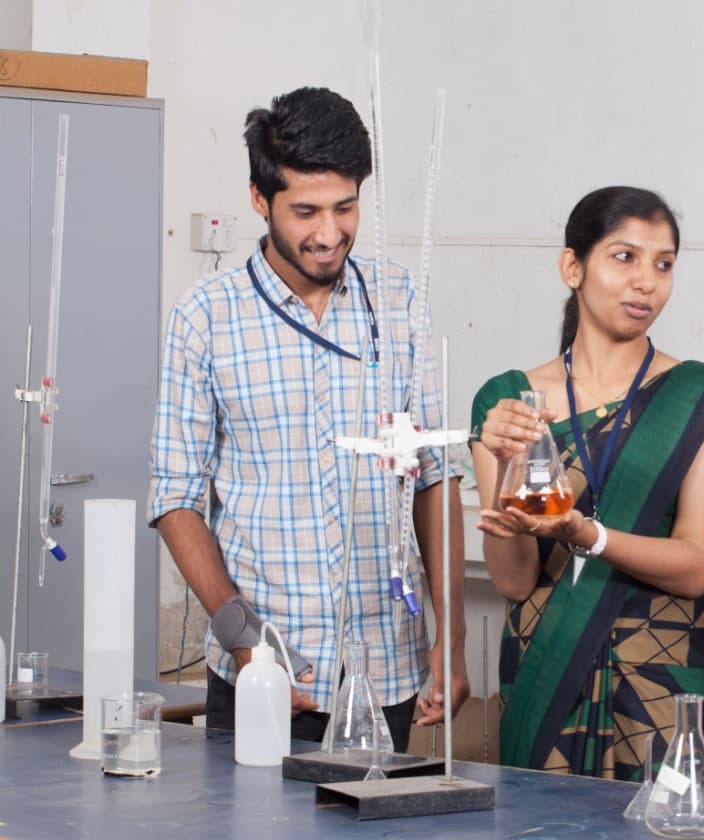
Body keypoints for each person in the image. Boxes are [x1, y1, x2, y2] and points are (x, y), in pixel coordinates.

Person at [148, 87, 469, 754]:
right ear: (259, 200)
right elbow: (175, 497)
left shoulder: (401, 299)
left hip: (388, 673)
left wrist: (453, 638)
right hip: (262, 671)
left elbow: (434, 476)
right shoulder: (207, 316)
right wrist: (245, 641)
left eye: (345, 207)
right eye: (305, 211)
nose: (328, 234)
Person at [470, 186, 704, 793]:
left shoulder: (703, 401)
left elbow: (693, 568)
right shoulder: (508, 402)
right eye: (624, 257)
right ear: (572, 267)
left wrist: (587, 534)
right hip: (544, 676)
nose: (646, 283)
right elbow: (514, 580)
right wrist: (506, 464)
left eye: (663, 264)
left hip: (666, 693)